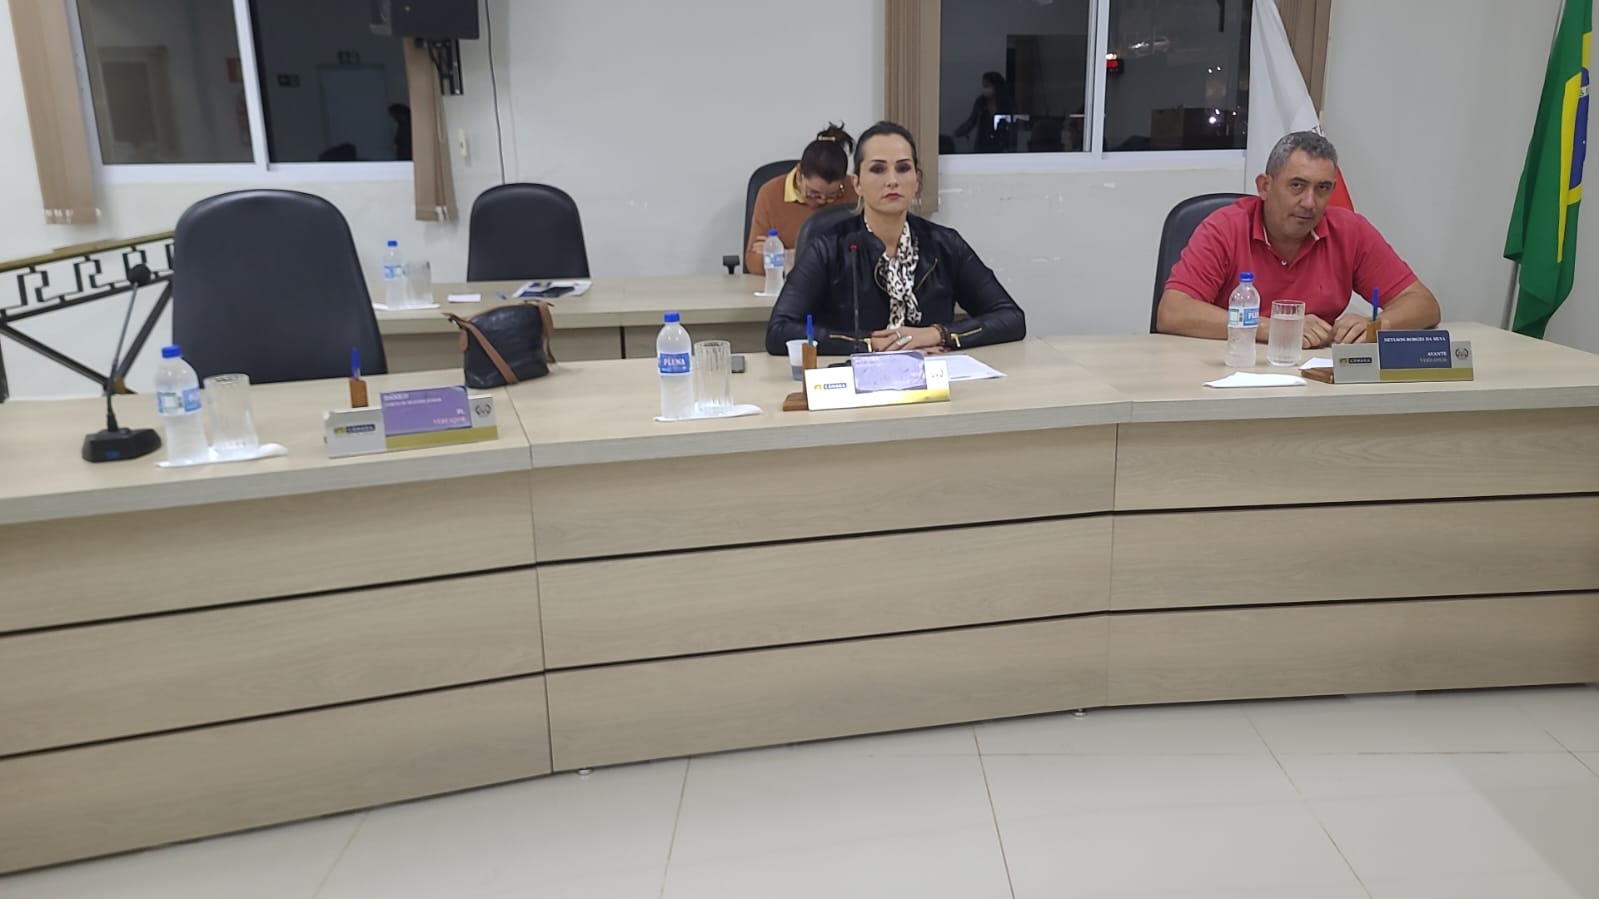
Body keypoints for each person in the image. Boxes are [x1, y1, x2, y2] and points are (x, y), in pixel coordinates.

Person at [765, 120, 1026, 356]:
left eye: (903, 168)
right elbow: (779, 331)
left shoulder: (945, 245)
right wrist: (869, 343)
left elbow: (1011, 318)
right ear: (857, 184)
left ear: (917, 180)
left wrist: (936, 334)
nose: (892, 180)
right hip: (854, 382)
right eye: (878, 169)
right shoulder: (829, 247)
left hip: (933, 380)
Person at [1156, 131, 1440, 347]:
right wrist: (1274, 327)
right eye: (1297, 185)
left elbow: (1423, 303)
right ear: (1265, 186)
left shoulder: (1350, 230)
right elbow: (1173, 312)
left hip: (1315, 376)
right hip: (1232, 368)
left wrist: (1378, 325)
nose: (1309, 203)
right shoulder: (1224, 228)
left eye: (1322, 189)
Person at [746, 124, 860, 275]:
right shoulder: (770, 193)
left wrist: (788, 256)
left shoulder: (855, 190)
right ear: (799, 174)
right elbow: (753, 260)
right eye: (814, 193)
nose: (822, 201)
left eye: (832, 195)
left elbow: (863, 253)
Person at [953, 72, 1015, 153]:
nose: (985, 89)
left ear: (997, 86)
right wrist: (957, 133)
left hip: (1002, 148)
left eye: (988, 86)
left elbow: (1012, 127)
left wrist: (1011, 149)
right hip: (982, 147)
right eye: (984, 86)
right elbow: (972, 121)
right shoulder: (981, 102)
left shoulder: (1007, 103)